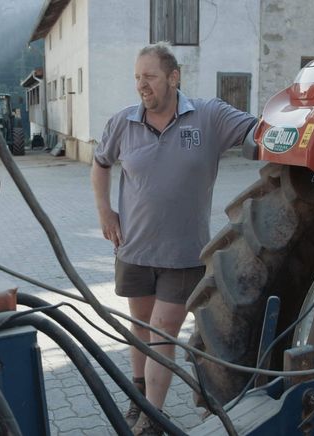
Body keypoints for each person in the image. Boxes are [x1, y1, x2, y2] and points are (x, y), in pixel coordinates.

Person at [91, 42, 257, 435]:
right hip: (133, 247)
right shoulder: (122, 123)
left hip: (183, 253)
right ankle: (137, 395)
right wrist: (105, 211)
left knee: (163, 331)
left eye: (149, 76)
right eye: (137, 77)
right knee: (141, 324)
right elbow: (99, 165)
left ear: (173, 77)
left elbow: (257, 131)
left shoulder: (209, 116)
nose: (141, 85)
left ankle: (152, 417)